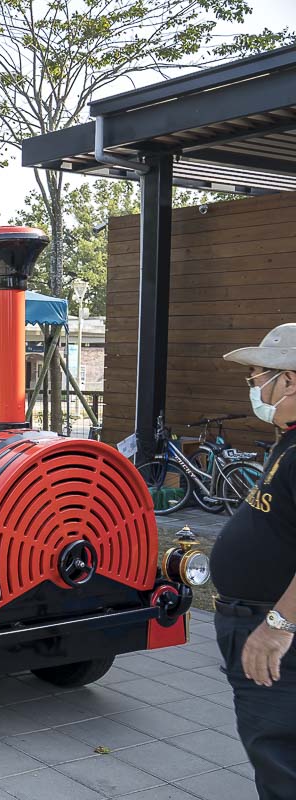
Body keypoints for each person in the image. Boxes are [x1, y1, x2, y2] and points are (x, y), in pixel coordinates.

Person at [212, 323, 296, 800]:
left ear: (289, 381)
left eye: (258, 376)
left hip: (277, 640)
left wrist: (278, 625)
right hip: (259, 623)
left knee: (282, 761)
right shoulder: (288, 440)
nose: (252, 387)